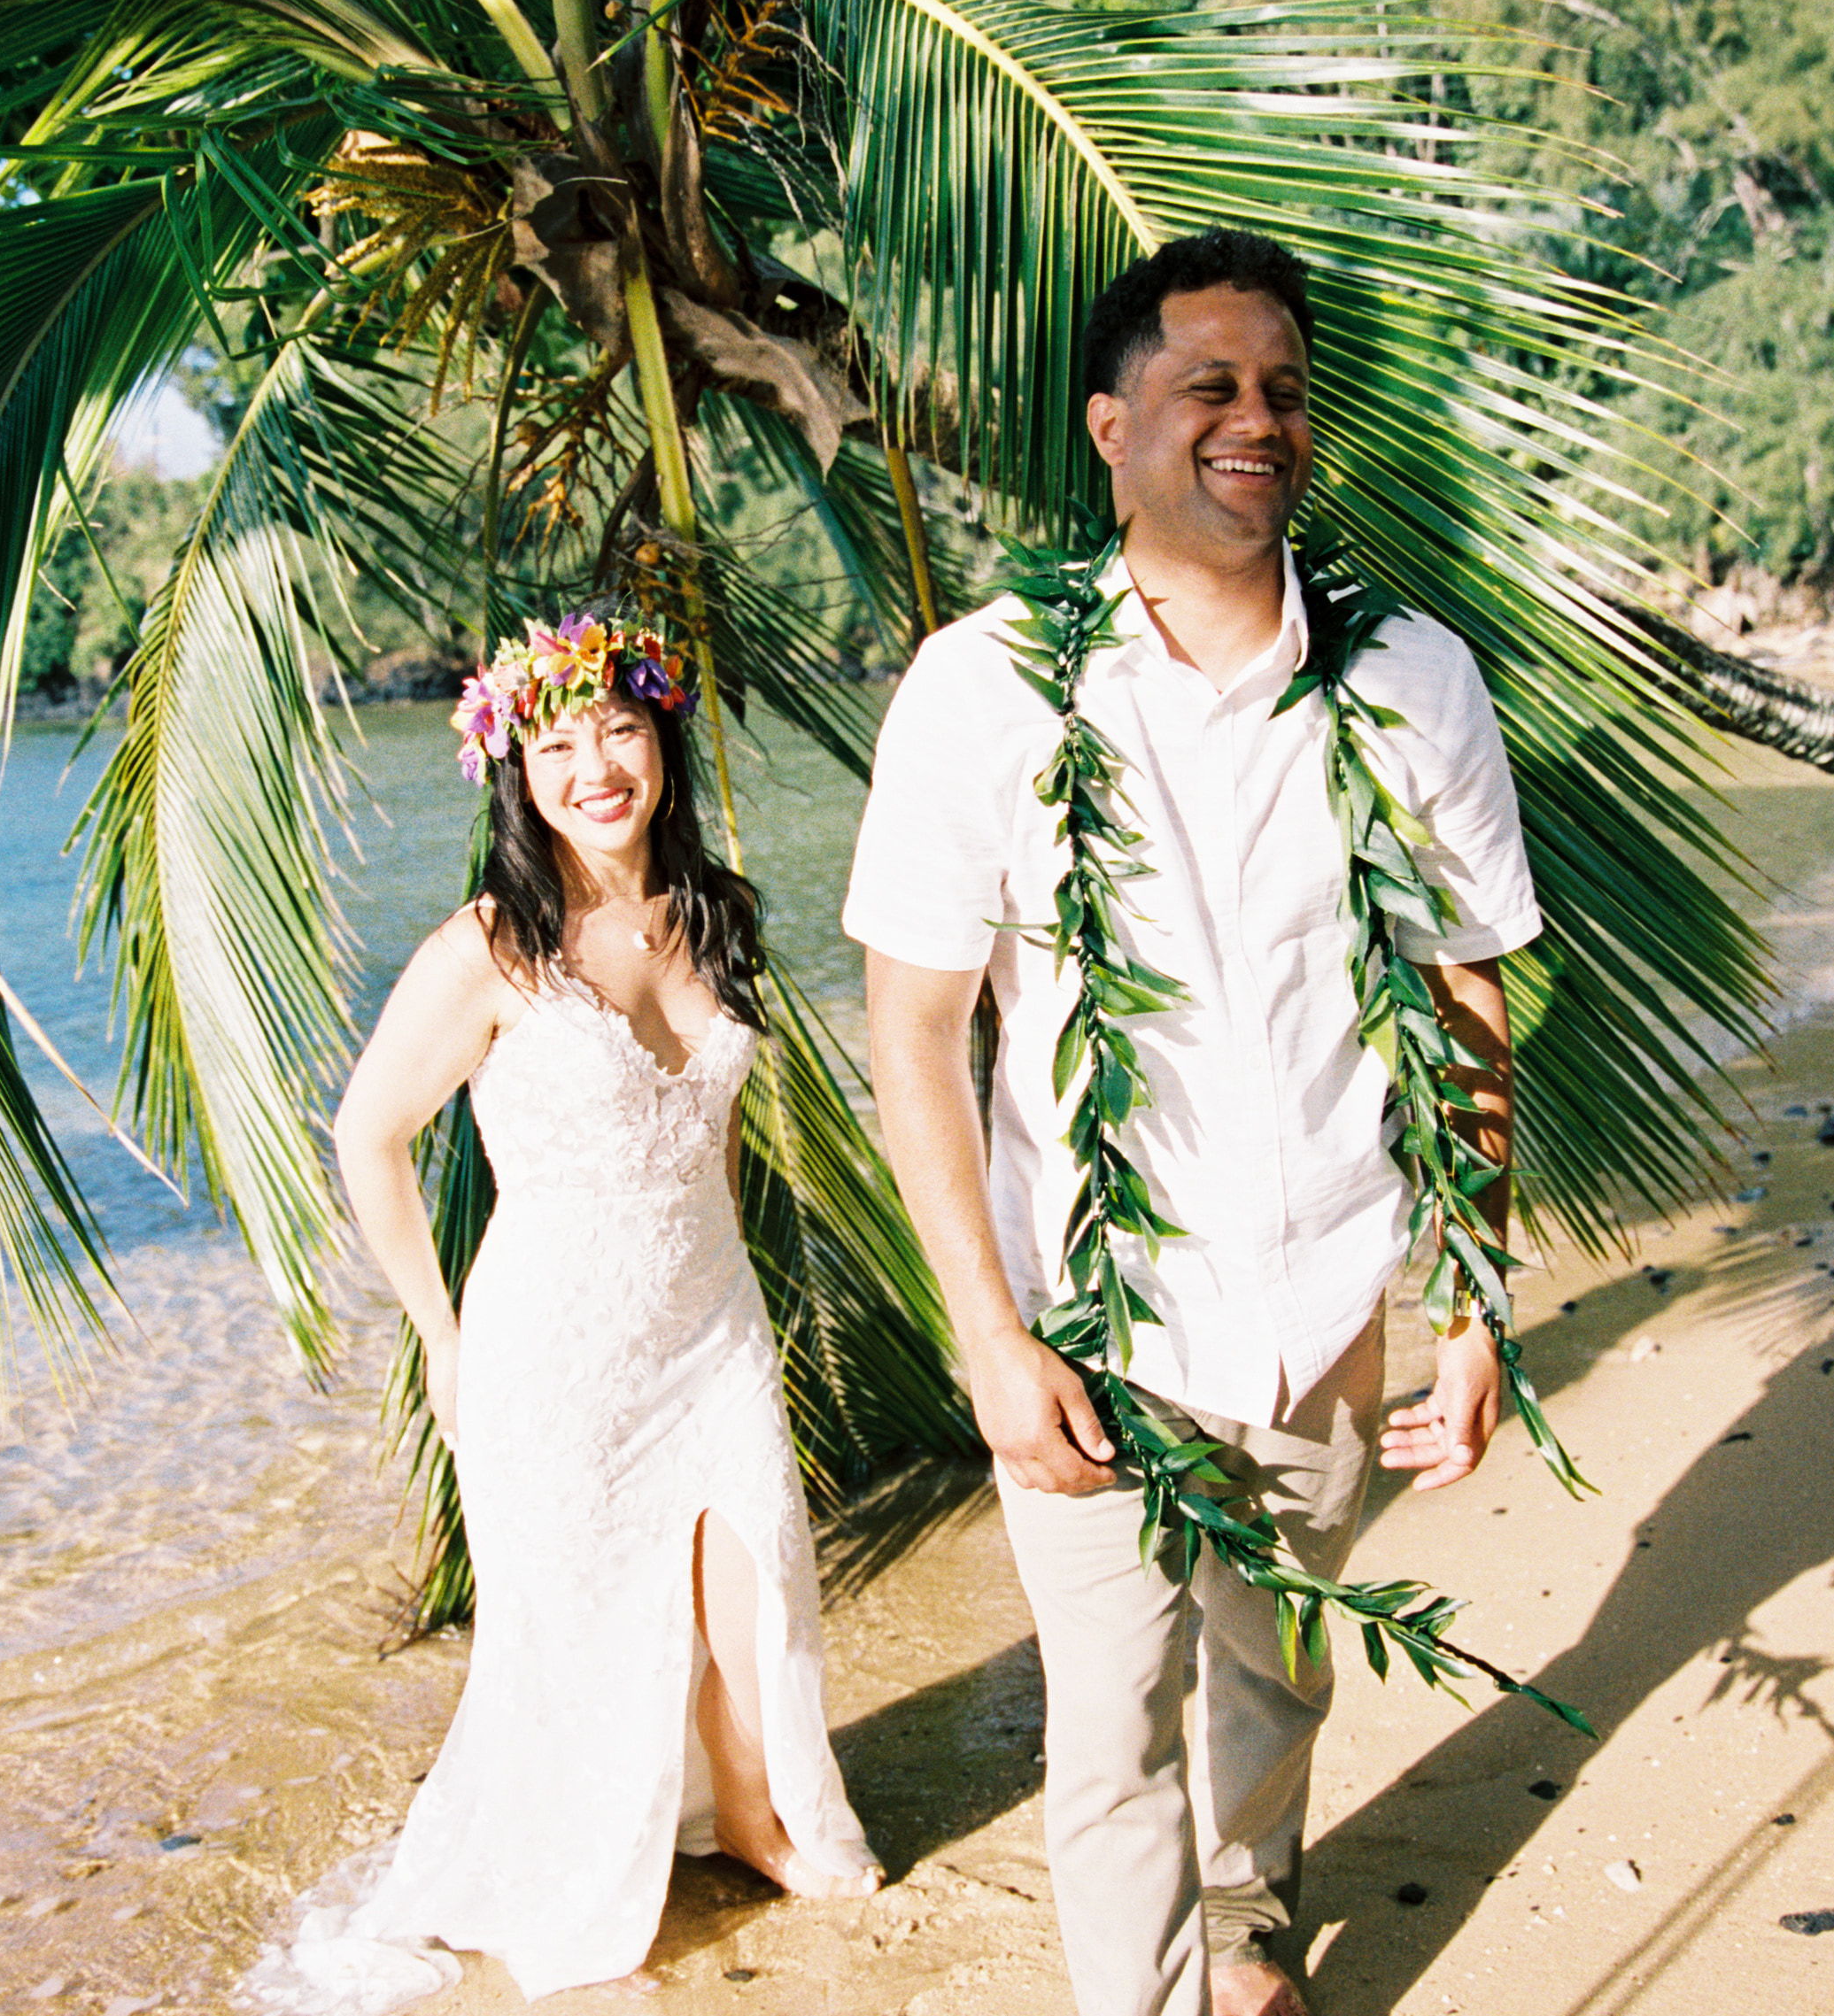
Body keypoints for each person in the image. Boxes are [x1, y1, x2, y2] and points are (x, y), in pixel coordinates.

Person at [844, 231, 1544, 2016]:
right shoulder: (984, 688)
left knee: (1278, 1668)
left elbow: (1465, 1002)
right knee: (1108, 1729)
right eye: (1208, 385)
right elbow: (912, 1029)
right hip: (1090, 1326)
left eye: (1283, 389)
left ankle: (1246, 1932)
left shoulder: (1412, 680)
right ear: (1111, 427)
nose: (1256, 419)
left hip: (1327, 1298)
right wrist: (987, 1340)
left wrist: (1471, 1303)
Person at [326, 612, 880, 2004]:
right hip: (552, 1343)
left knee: (758, 1581)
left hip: (710, 1323)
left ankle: (752, 1814)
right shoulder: (490, 948)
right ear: (515, 770)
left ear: (661, 741)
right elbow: (367, 1136)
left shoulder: (714, 913)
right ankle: (579, 1848)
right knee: (572, 1624)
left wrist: (732, 1285)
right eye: (558, 744)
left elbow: (716, 1135)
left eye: (619, 730)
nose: (594, 769)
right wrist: (439, 1335)